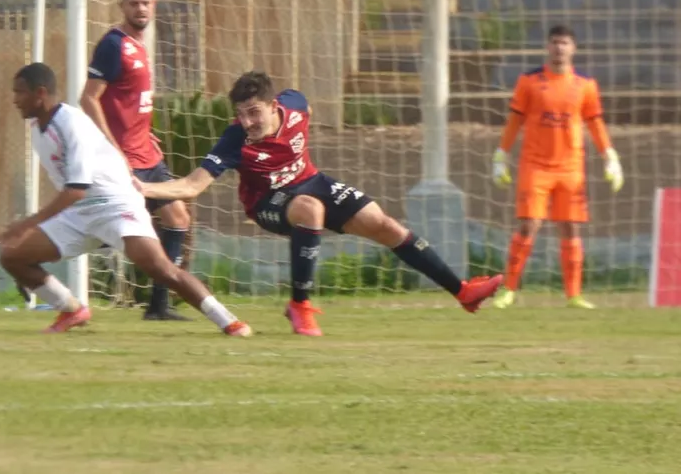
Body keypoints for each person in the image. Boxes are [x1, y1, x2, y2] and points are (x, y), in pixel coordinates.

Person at [135, 71, 503, 336]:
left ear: (274, 105)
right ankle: (300, 305)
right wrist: (144, 189)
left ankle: (463, 291)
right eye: (241, 114)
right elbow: (193, 186)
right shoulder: (236, 139)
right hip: (268, 202)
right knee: (310, 209)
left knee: (385, 225)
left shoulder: (295, 106)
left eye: (254, 112)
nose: (246, 121)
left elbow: (303, 101)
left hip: (313, 181)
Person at [0, 62, 251, 337]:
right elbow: (72, 191)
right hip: (79, 213)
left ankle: (230, 322)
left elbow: (76, 188)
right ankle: (71, 309)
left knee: (161, 268)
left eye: (20, 92)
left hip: (115, 205)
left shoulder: (71, 123)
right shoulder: (38, 129)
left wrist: (28, 223)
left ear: (40, 93)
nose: (15, 100)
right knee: (13, 255)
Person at [81, 0, 194, 321]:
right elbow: (88, 98)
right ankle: (41, 262)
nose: (140, 9)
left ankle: (158, 305)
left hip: (147, 153)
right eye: (133, 3)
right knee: (108, 232)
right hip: (124, 160)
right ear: (123, 6)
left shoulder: (141, 44)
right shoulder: (113, 45)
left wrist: (148, 133)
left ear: (153, 5)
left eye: (145, 3)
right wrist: (114, 148)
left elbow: (132, 102)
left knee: (177, 219)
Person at [491, 24, 624, 309]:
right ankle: (509, 290)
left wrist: (610, 156)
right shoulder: (529, 81)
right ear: (547, 47)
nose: (559, 48)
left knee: (571, 229)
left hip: (570, 169)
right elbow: (515, 120)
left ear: (573, 48)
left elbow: (595, 123)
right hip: (535, 166)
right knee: (529, 226)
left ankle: (574, 295)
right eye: (554, 42)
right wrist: (501, 155)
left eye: (564, 43)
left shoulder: (585, 85)